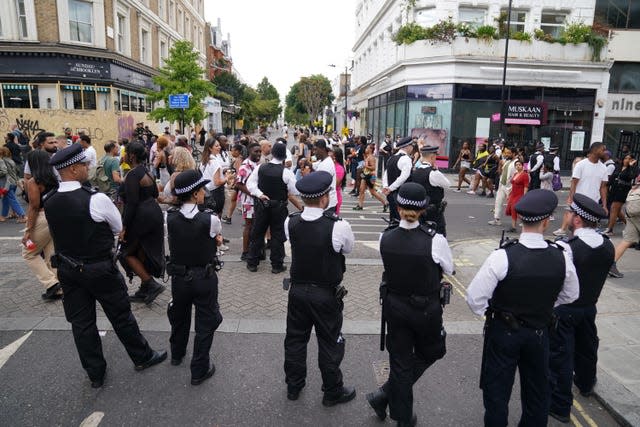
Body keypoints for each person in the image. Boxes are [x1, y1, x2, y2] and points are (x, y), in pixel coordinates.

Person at [44, 144, 166, 388]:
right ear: (74, 168)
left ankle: (95, 373)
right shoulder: (96, 199)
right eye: (84, 165)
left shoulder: (50, 200)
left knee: (81, 323)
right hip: (99, 268)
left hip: (67, 269)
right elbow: (117, 227)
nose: (88, 167)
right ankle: (141, 356)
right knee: (120, 315)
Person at [466, 189, 579, 426]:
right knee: (538, 392)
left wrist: (494, 314)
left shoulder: (502, 256)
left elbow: (475, 298)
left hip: (504, 331)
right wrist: (543, 306)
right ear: (547, 221)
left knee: (497, 392)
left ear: (523, 220)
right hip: (540, 332)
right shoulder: (562, 256)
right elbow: (571, 295)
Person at [366, 182, 453, 427]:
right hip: (427, 310)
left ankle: (389, 401)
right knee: (433, 351)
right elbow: (449, 268)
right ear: (424, 208)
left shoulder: (385, 236)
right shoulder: (435, 240)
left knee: (401, 363)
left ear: (398, 205)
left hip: (395, 307)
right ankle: (391, 405)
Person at [283, 170, 356, 406]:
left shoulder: (291, 221)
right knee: (329, 342)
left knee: (295, 340)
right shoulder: (338, 225)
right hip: (325, 294)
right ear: (324, 198)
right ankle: (332, 391)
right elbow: (347, 250)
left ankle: (294, 386)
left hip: (297, 291)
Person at [549, 194, 615, 423]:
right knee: (587, 348)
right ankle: (586, 384)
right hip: (589, 307)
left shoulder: (567, 247)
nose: (566, 216)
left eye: (569, 213)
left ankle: (559, 406)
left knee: (561, 357)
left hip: (565, 309)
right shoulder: (607, 245)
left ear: (577, 219)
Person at [166, 170, 224, 385]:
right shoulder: (210, 219)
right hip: (204, 277)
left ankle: (177, 353)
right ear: (195, 194)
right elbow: (216, 239)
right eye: (201, 189)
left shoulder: (170, 217)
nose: (204, 193)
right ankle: (199, 369)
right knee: (205, 323)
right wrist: (216, 241)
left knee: (179, 317)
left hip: (179, 277)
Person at [120, 141, 165, 304]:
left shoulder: (132, 175)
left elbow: (131, 203)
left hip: (141, 216)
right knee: (141, 251)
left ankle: (150, 283)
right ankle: (145, 288)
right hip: (153, 212)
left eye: (125, 152)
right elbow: (154, 193)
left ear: (131, 156)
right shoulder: (147, 172)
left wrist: (124, 227)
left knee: (126, 253)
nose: (123, 155)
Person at [246, 142, 302, 273]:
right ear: (284, 156)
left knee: (257, 233)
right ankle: (276, 265)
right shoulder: (286, 173)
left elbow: (250, 184)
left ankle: (252, 262)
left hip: (262, 205)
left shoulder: (260, 168)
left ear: (273, 154)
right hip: (279, 206)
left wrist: (260, 194)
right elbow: (294, 190)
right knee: (277, 234)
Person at [21, 150, 60, 300]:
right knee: (51, 253)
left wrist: (28, 230)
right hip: (54, 217)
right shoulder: (54, 179)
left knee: (29, 253)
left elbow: (34, 206)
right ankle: (58, 286)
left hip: (42, 218)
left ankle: (51, 283)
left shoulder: (34, 181)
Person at [554, 142, 609, 236]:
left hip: (593, 203)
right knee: (575, 226)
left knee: (589, 228)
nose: (605, 152)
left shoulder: (603, 168)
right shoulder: (581, 164)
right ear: (595, 150)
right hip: (579, 202)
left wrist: (604, 205)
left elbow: (603, 187)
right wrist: (571, 198)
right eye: (602, 149)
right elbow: (574, 183)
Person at [409, 145, 450, 236]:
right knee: (439, 236)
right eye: (435, 156)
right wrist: (437, 170)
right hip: (434, 212)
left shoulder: (415, 171)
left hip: (419, 210)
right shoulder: (433, 173)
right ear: (432, 156)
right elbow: (447, 184)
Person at [235, 143, 261, 261]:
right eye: (256, 151)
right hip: (248, 202)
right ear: (250, 151)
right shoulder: (245, 166)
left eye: (260, 151)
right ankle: (245, 252)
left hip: (256, 200)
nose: (259, 154)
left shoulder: (257, 165)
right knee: (249, 226)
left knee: (256, 226)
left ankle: (255, 250)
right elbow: (239, 184)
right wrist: (254, 193)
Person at [604, 154, 638, 235]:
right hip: (614, 189)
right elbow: (612, 177)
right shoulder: (618, 167)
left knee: (613, 208)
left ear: (632, 160)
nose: (627, 160)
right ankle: (632, 227)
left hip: (623, 191)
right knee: (617, 211)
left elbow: (632, 176)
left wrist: (631, 166)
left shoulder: (634, 169)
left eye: (629, 159)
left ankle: (610, 229)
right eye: (625, 158)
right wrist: (607, 186)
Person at [382, 137, 414, 221]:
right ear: (407, 147)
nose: (412, 148)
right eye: (411, 145)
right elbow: (404, 177)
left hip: (391, 194)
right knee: (402, 219)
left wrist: (385, 186)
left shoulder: (392, 158)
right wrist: (390, 188)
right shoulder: (406, 159)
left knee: (393, 218)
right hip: (401, 194)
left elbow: (386, 174)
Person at [353, 144, 388, 212]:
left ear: (370, 150)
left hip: (370, 176)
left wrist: (366, 166)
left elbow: (373, 168)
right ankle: (360, 205)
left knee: (373, 192)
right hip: (365, 175)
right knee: (361, 190)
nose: (366, 149)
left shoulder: (371, 157)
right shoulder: (368, 157)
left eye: (367, 148)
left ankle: (385, 203)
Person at [488, 147, 516, 227]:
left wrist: (513, 187)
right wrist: (500, 166)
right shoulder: (507, 161)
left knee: (514, 205)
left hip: (510, 187)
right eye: (506, 153)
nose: (507, 154)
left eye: (509, 153)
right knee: (498, 202)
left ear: (514, 153)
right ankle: (497, 219)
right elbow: (501, 171)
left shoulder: (516, 163)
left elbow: (517, 175)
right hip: (502, 185)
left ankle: (524, 219)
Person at [200, 138, 226, 217]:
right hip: (216, 193)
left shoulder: (204, 160)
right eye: (216, 146)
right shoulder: (214, 162)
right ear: (210, 148)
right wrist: (227, 178)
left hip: (206, 192)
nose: (219, 147)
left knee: (208, 217)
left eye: (219, 145)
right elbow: (217, 182)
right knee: (216, 217)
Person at [0, 146, 26, 223]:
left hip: (7, 183)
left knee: (12, 200)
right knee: (6, 200)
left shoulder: (3, 161)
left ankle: (23, 216)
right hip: (13, 182)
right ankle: (3, 216)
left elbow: (4, 172)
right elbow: (15, 172)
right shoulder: (10, 160)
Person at [312, 139, 338, 213]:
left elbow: (318, 184)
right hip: (325, 203)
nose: (314, 152)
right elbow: (314, 165)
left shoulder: (327, 165)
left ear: (323, 149)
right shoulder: (323, 161)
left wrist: (307, 176)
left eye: (316, 150)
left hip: (327, 205)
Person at [504, 159, 529, 232]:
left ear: (522, 166)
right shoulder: (515, 174)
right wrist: (509, 194)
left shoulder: (525, 175)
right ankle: (513, 227)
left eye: (519, 165)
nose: (518, 166)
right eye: (516, 165)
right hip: (513, 194)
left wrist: (524, 197)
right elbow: (513, 184)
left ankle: (528, 223)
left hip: (519, 195)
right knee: (512, 210)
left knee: (516, 210)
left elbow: (526, 186)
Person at [330, 147, 346, 215]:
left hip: (335, 197)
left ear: (335, 156)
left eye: (331, 153)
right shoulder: (331, 165)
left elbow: (335, 184)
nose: (329, 154)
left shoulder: (339, 168)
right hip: (329, 196)